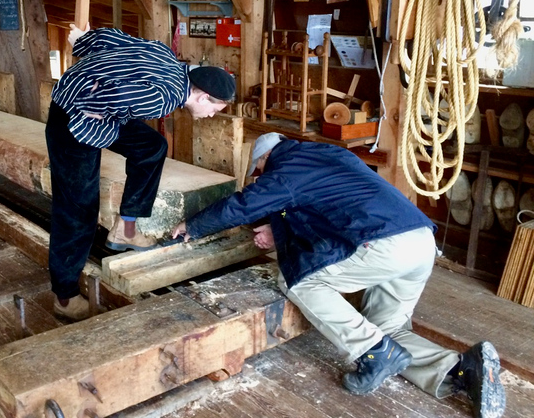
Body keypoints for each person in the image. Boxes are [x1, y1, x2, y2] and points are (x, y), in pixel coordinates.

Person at [172, 132, 505, 418]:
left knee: (299, 281)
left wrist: (194, 225)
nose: (260, 177)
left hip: (384, 245)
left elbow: (245, 204)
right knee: (384, 329)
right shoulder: (327, 156)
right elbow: (304, 208)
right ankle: (460, 368)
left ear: (264, 160)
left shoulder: (285, 170)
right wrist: (278, 226)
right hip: (418, 242)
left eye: (259, 172)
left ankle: (375, 353)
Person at [46, 23, 236, 321]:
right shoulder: (164, 99)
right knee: (78, 207)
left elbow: (113, 38)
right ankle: (65, 297)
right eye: (214, 110)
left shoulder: (167, 56)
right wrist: (94, 112)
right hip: (73, 119)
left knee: (151, 145)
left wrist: (83, 40)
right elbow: (109, 98)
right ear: (201, 97)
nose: (210, 115)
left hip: (95, 106)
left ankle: (127, 227)